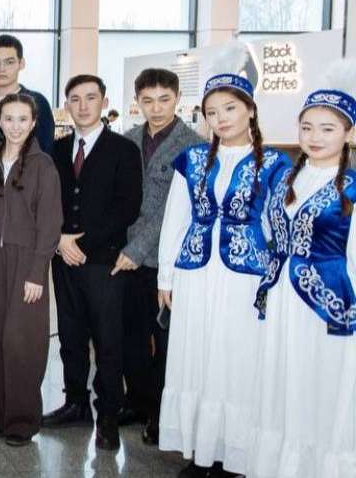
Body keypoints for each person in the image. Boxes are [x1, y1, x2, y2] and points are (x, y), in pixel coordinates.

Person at [156, 73, 288, 477]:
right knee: (195, 356)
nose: (221, 118)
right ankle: (201, 451)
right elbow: (175, 219)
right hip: (195, 273)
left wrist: (274, 282)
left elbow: (275, 224)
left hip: (244, 278)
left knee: (237, 359)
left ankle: (236, 455)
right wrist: (166, 276)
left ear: (250, 110)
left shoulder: (276, 164)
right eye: (212, 112)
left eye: (230, 108)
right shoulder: (193, 160)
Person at [248, 86, 356, 478]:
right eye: (307, 127)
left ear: (348, 133)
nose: (315, 137)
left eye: (327, 129)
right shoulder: (285, 180)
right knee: (281, 382)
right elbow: (266, 229)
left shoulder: (352, 188)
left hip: (326, 305)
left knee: (320, 385)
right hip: (280, 300)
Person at [42, 74, 142, 452]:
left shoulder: (123, 150)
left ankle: (109, 416)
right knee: (70, 335)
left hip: (104, 262)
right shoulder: (56, 149)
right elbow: (48, 202)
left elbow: (127, 207)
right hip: (63, 257)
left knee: (107, 341)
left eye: (90, 98)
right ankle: (75, 403)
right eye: (75, 99)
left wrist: (81, 243)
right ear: (66, 104)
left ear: (103, 101)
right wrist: (59, 240)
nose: (82, 105)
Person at [116, 69, 204, 445]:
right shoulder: (126, 140)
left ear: (178, 99)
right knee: (130, 336)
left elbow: (174, 210)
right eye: (147, 101)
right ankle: (136, 399)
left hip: (165, 261)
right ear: (137, 102)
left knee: (164, 341)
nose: (156, 108)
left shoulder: (195, 145)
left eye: (164, 100)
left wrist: (136, 251)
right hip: (125, 256)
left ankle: (160, 414)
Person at [0, 92, 62, 447]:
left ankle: (22, 420)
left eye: (22, 119)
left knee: (21, 341)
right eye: (8, 119)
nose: (15, 127)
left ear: (33, 122)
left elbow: (50, 222)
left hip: (27, 260)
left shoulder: (43, 165)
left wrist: (36, 271)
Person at [0, 34, 55, 155]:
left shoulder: (38, 102)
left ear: (21, 64)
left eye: (9, 62)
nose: (1, 69)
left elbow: (45, 150)